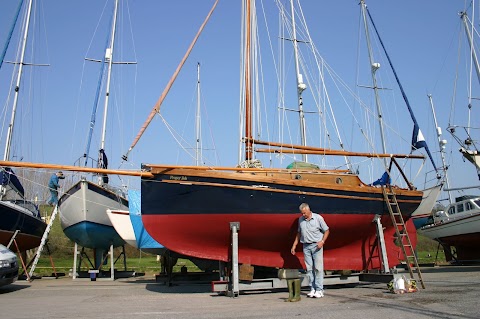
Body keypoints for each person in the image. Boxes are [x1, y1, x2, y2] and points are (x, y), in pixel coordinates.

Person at [291, 202, 330, 298]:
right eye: (302, 213)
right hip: (306, 246)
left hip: (316, 245)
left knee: (318, 268)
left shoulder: (318, 218)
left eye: (304, 213)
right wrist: (294, 245)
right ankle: (312, 289)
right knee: (308, 269)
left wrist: (322, 241)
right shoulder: (301, 220)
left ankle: (319, 290)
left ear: (309, 210)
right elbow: (299, 233)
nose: (303, 215)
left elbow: (327, 230)